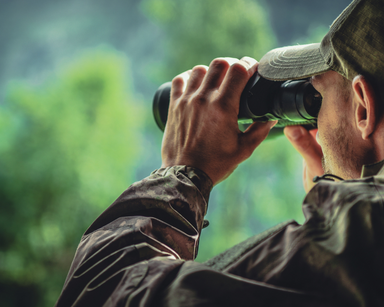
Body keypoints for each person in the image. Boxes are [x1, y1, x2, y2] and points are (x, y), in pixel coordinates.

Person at [55, 0, 384, 306]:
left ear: (363, 108)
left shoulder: (366, 231)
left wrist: (181, 172)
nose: (318, 123)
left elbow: (103, 291)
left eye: (319, 95)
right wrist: (345, 188)